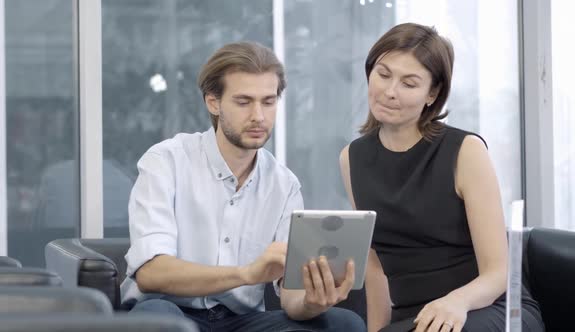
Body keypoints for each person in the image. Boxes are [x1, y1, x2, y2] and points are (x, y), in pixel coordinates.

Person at [120, 41, 366, 332]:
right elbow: (151, 274)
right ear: (213, 102)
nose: (259, 116)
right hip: (169, 313)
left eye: (268, 101)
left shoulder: (283, 185)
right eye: (244, 101)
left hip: (242, 323)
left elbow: (291, 298)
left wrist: (314, 301)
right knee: (159, 318)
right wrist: (247, 274)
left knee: (343, 323)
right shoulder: (166, 161)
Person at [339, 23, 544, 332]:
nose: (390, 91)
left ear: (432, 94)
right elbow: (375, 265)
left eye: (409, 83)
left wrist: (456, 302)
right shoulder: (351, 158)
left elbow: (499, 272)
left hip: (486, 308)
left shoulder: (465, 151)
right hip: (416, 319)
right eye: (383, 74)